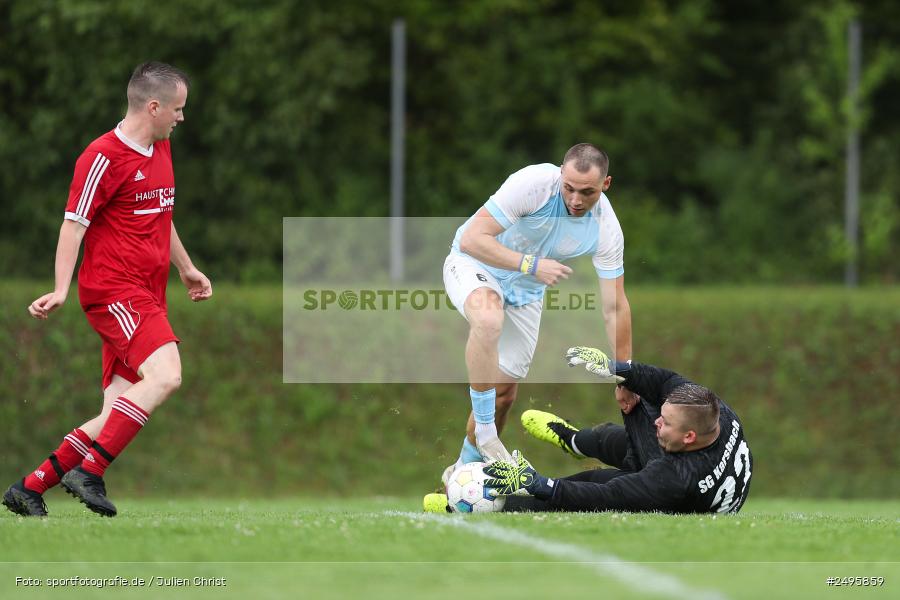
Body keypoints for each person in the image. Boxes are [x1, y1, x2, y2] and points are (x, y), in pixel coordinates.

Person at [2, 61, 211, 518]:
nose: (181, 117)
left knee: (116, 410)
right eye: (177, 109)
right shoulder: (102, 156)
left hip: (147, 293)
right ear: (153, 106)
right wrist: (60, 288)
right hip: (114, 291)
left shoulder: (161, 147)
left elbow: (162, 215)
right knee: (167, 375)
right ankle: (90, 471)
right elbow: (73, 225)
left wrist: (186, 267)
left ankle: (29, 488)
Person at [437, 144, 633, 492]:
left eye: (586, 191)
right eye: (568, 187)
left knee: (505, 395)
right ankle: (485, 434)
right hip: (475, 265)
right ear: (560, 174)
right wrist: (531, 265)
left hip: (527, 291)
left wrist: (627, 375)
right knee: (488, 318)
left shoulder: (607, 228)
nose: (574, 198)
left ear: (605, 185)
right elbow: (471, 239)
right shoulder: (531, 184)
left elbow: (614, 305)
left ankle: (462, 473)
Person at [480, 347, 753, 514]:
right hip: (693, 467)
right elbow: (665, 381)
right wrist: (617, 368)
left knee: (590, 482)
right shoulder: (709, 409)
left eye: (666, 422)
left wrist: (540, 484)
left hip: (680, 491)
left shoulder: (673, 479)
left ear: (689, 436)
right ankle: (573, 440)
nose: (657, 420)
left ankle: (492, 504)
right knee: (635, 408)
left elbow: (606, 496)